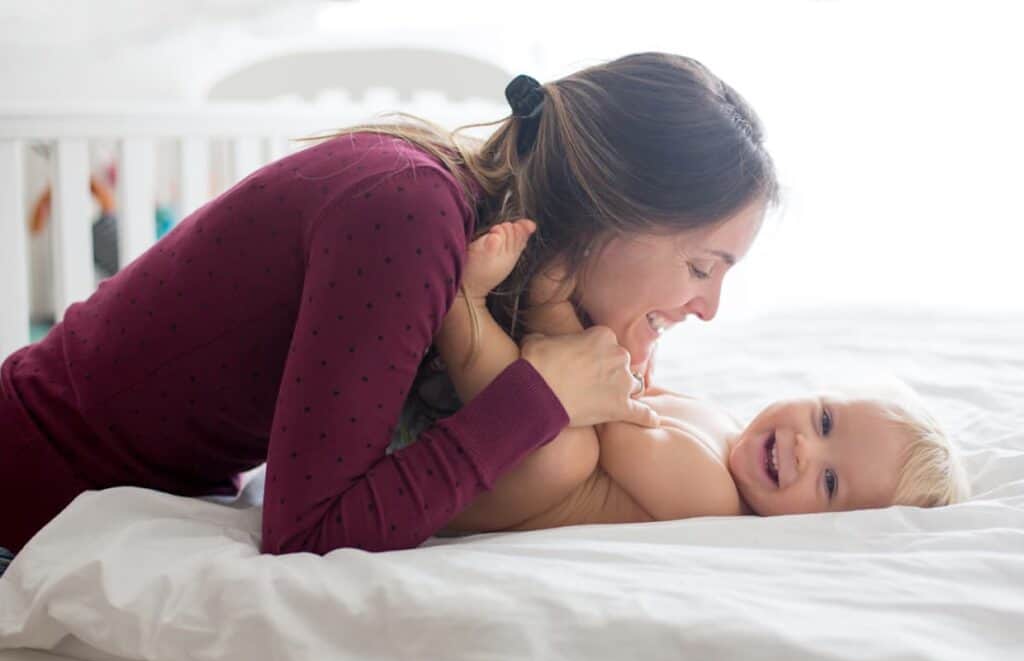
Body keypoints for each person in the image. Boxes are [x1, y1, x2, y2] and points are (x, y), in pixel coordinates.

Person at [0, 52, 777, 562]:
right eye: (701, 267)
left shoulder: (470, 240)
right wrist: (535, 400)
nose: (707, 306)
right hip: (26, 500)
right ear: (609, 215)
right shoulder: (410, 213)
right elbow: (306, 534)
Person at [437, 221, 971, 533]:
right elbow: (644, 394)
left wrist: (564, 321)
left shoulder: (714, 498)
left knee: (568, 451)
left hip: (503, 497)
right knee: (569, 416)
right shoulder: (724, 425)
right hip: (517, 449)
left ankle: (468, 304)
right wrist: (636, 365)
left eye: (829, 482)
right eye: (825, 420)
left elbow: (618, 429)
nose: (804, 448)